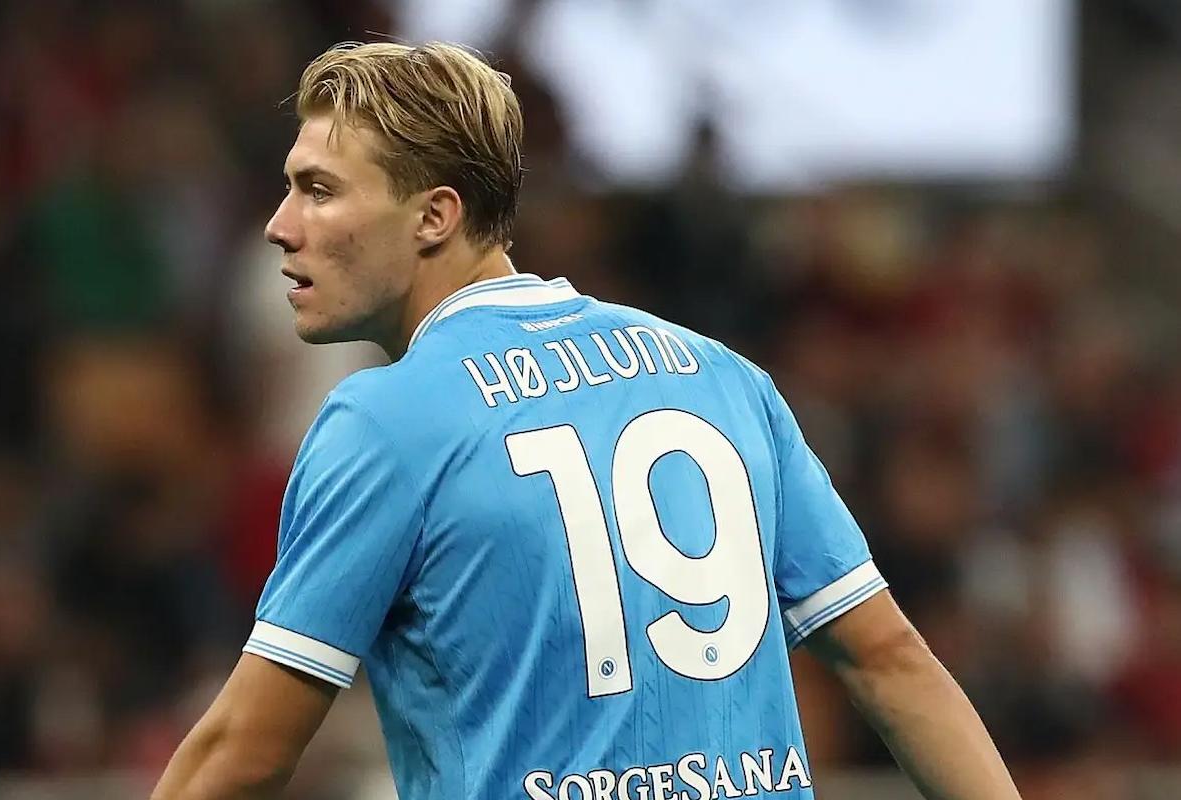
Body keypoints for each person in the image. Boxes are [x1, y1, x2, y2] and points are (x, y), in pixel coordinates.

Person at [152, 41, 1020, 800]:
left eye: (319, 191)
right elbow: (890, 660)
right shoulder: (722, 376)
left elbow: (244, 751)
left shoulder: (385, 421)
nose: (280, 226)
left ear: (434, 216)